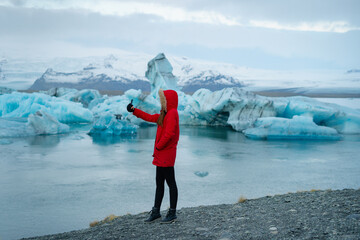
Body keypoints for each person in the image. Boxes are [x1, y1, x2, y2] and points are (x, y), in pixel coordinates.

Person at [127, 89, 179, 224]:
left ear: (168, 101)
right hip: (161, 154)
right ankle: (156, 211)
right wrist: (134, 110)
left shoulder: (172, 113)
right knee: (159, 183)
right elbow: (150, 117)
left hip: (166, 154)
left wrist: (158, 146)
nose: (162, 102)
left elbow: (170, 134)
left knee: (171, 183)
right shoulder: (164, 114)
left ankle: (172, 212)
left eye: (163, 100)